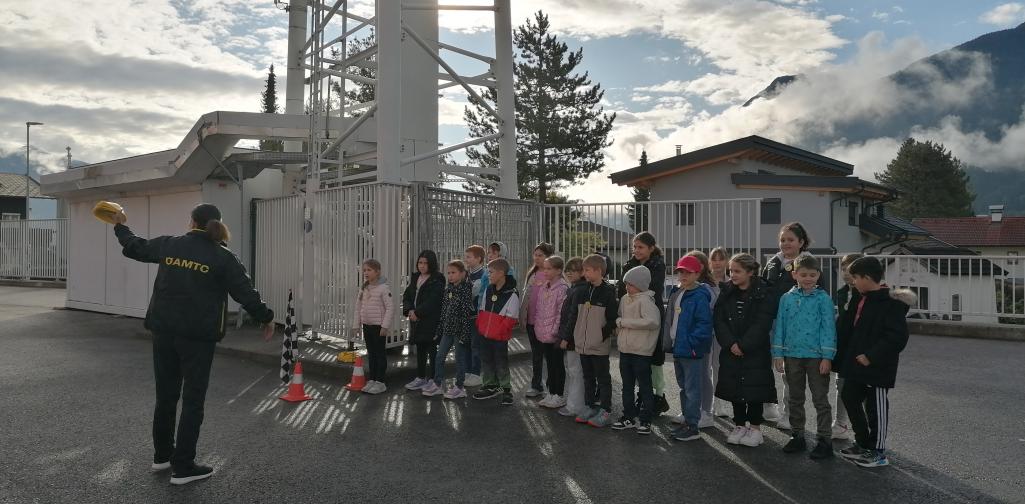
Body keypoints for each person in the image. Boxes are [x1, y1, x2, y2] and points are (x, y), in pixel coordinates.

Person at [110, 203, 274, 485]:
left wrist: (120, 225)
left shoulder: (170, 245)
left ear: (192, 222)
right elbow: (245, 292)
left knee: (166, 396)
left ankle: (162, 456)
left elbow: (135, 247)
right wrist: (266, 317)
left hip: (163, 331)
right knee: (193, 401)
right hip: (198, 337)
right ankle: (183, 467)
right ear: (217, 224)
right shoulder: (223, 257)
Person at [836, 257, 914, 468]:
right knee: (849, 396)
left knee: (875, 407)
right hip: (856, 364)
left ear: (867, 278)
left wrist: (871, 355)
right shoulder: (863, 298)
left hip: (878, 368)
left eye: (855, 277)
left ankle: (878, 451)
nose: (852, 281)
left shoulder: (891, 303)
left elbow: (897, 337)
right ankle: (863, 443)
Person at [773, 256, 836, 459]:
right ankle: (797, 435)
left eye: (812, 274)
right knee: (795, 398)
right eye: (803, 274)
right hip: (792, 355)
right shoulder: (786, 298)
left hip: (816, 357)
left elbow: (829, 328)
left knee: (820, 398)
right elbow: (780, 326)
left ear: (819, 275)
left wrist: (827, 357)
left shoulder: (824, 299)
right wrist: (778, 353)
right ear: (795, 275)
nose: (808, 278)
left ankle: (824, 439)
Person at [714, 254, 777, 448]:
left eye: (737, 271)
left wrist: (743, 345)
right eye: (731, 271)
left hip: (754, 351)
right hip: (731, 350)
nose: (732, 274)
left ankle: (755, 428)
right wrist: (731, 343)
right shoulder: (726, 292)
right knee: (735, 389)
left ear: (750, 272)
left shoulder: (764, 292)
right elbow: (719, 319)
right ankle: (739, 425)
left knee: (754, 389)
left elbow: (762, 323)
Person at [761, 222, 816, 429]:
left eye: (791, 240)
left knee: (790, 370)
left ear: (801, 242)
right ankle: (768, 404)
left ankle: (789, 414)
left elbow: (819, 295)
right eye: (783, 239)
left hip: (796, 325)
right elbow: (763, 290)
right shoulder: (773, 262)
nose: (785, 243)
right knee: (765, 363)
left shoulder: (809, 264)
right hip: (771, 321)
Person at [561, 255, 618, 427]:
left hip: (598, 346)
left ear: (599, 271)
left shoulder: (608, 292)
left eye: (587, 270)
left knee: (603, 378)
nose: (584, 273)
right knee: (588, 377)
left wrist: (601, 336)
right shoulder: (581, 291)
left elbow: (612, 319)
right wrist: (567, 336)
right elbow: (573, 316)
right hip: (582, 345)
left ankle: (605, 410)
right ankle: (590, 406)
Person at [617, 232, 669, 416]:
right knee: (635, 358)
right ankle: (642, 395)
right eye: (635, 247)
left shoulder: (657, 265)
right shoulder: (629, 265)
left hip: (649, 312)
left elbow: (652, 288)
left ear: (651, 248)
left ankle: (658, 396)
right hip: (631, 313)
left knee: (653, 357)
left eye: (641, 247)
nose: (636, 250)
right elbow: (622, 289)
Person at [611, 266, 662, 435]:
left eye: (631, 284)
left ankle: (646, 420)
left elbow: (653, 322)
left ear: (641, 285)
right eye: (626, 283)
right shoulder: (626, 298)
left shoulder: (646, 300)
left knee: (645, 387)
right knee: (627, 386)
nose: (627, 287)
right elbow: (619, 317)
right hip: (626, 349)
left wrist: (624, 322)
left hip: (641, 351)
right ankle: (628, 417)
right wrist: (620, 323)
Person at [423, 260, 476, 399]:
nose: (450, 276)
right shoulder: (448, 290)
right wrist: (439, 330)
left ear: (462, 273)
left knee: (460, 359)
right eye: (448, 273)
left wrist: (464, 334)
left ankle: (459, 387)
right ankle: (438, 384)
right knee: (440, 357)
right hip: (447, 330)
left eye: (453, 273)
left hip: (459, 332)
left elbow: (465, 314)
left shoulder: (465, 290)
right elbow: (443, 312)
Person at [681, 250, 721, 430]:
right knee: (690, 378)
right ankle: (692, 410)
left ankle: (706, 411)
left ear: (701, 268)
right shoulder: (686, 286)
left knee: (703, 374)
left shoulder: (706, 288)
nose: (684, 273)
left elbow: (709, 311)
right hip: (686, 339)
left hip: (702, 338)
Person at [473, 258, 520, 406]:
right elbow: (481, 309)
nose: (488, 275)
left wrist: (498, 331)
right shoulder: (488, 289)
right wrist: (481, 326)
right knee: (486, 360)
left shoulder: (511, 293)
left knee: (501, 363)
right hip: (484, 334)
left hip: (499, 337)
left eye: (491, 272)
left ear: (501, 273)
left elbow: (511, 317)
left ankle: (506, 389)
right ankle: (490, 385)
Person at [830, 252, 864, 440]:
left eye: (851, 269)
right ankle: (840, 422)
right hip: (843, 346)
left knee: (859, 388)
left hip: (859, 347)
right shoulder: (842, 292)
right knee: (840, 383)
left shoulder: (867, 293)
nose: (846, 273)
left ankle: (861, 426)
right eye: (843, 268)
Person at [401, 250, 445, 391]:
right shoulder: (416, 277)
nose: (422, 266)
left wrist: (418, 312)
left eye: (426, 263)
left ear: (431, 264)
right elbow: (407, 295)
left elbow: (433, 301)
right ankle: (420, 377)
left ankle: (433, 379)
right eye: (420, 262)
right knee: (420, 349)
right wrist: (409, 310)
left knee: (432, 350)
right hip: (416, 320)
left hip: (430, 320)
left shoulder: (437, 278)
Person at [533, 256, 570, 409]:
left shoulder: (562, 289)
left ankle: (559, 395)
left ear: (559, 270)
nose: (545, 271)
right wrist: (538, 327)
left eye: (549, 269)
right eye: (544, 268)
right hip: (543, 333)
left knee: (558, 365)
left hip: (555, 335)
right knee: (549, 364)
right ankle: (551, 392)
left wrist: (555, 332)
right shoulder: (544, 287)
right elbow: (538, 309)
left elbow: (562, 313)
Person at [352, 259, 393, 395]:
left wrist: (385, 326)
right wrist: (356, 325)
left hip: (378, 327)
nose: (366, 273)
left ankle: (380, 382)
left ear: (377, 272)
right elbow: (358, 307)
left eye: (369, 270)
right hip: (367, 326)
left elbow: (390, 308)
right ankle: (372, 379)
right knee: (371, 354)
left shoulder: (384, 288)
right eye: (364, 270)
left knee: (380, 354)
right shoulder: (364, 288)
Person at [520, 242, 556, 399]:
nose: (537, 258)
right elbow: (526, 297)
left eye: (540, 255)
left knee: (550, 356)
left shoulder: (553, 276)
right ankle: (536, 385)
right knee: (536, 354)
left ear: (549, 257)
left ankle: (553, 387)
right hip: (531, 321)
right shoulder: (532, 274)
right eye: (535, 255)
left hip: (547, 323)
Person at [557, 257, 587, 418]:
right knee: (575, 371)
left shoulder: (579, 290)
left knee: (575, 371)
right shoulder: (575, 288)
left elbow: (573, 316)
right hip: (574, 337)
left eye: (573, 270)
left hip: (573, 338)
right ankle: (575, 403)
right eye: (567, 269)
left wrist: (565, 337)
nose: (568, 273)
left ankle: (575, 405)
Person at [708, 246, 732, 418]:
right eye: (714, 259)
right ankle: (705, 403)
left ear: (727, 261)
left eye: (721, 259)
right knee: (703, 368)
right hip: (704, 330)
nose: (717, 263)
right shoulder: (703, 282)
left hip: (722, 332)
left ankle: (719, 403)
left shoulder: (731, 282)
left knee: (719, 367)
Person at [462, 245, 488, 387]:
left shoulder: (483, 275)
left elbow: (476, 294)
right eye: (466, 257)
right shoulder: (466, 274)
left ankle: (476, 373)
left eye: (469, 257)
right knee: (466, 344)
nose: (466, 260)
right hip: (466, 316)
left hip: (476, 316)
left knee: (475, 346)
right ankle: (467, 372)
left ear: (479, 258)